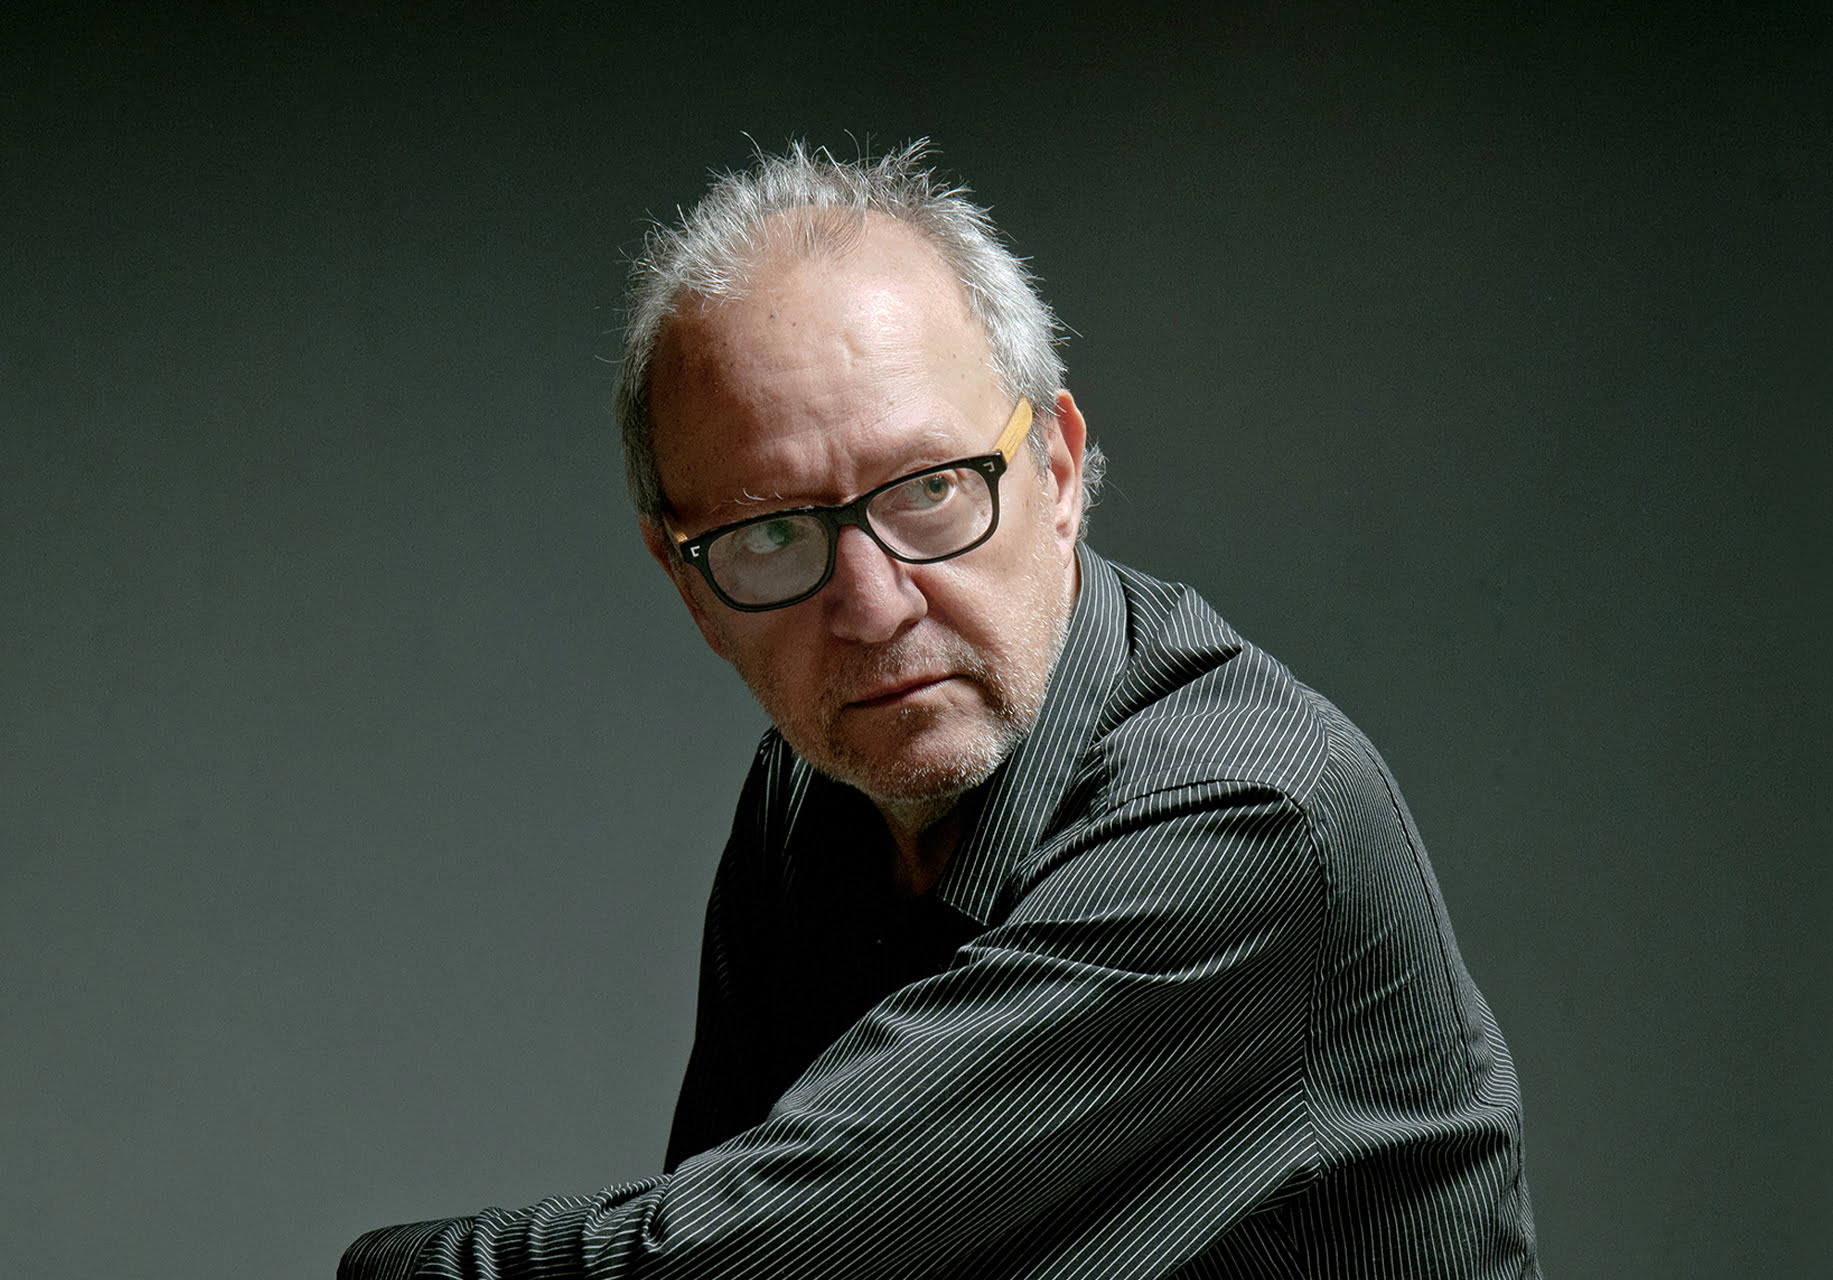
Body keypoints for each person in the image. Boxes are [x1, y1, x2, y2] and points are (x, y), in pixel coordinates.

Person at [340, 140, 1542, 1279]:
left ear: (1057, 471)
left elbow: (731, 1260)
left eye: (929, 490)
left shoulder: (1252, 820)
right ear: (690, 583)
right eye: (772, 534)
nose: (872, 606)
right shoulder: (814, 787)